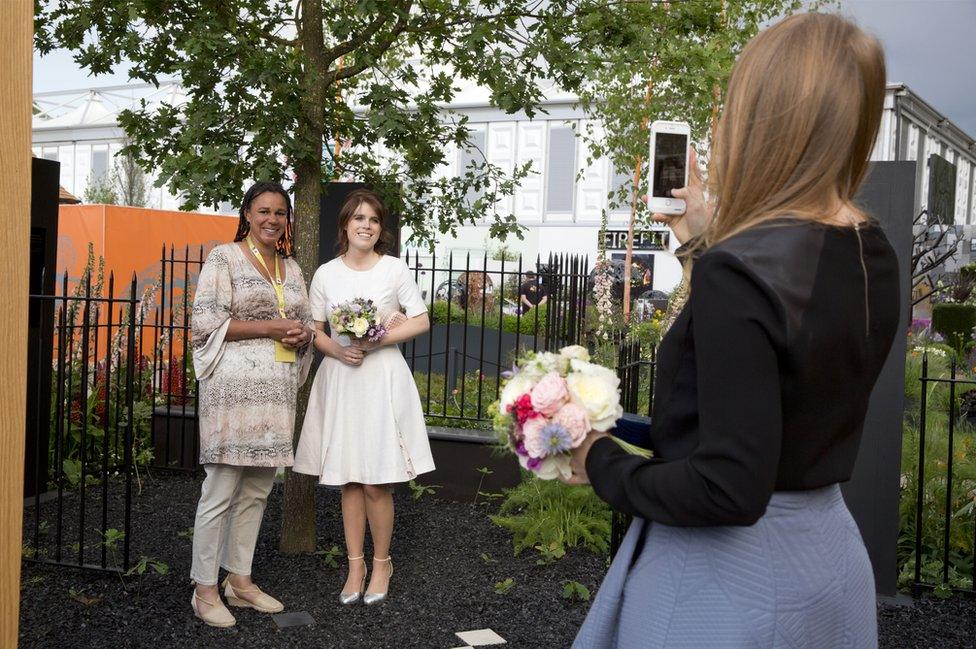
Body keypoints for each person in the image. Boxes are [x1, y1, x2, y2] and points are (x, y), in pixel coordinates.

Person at [566, 14, 896, 648]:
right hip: (828, 562)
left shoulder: (739, 270)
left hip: (729, 583)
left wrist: (598, 459)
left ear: (763, 120)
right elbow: (789, 353)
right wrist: (701, 241)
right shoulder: (868, 246)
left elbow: (727, 487)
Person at [293, 188, 435, 606]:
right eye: (358, 218)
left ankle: (381, 562)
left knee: (375, 480)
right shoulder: (325, 274)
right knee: (348, 479)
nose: (366, 226)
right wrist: (337, 349)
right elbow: (315, 331)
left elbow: (422, 320)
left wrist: (377, 339)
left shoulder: (393, 270)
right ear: (345, 226)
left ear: (380, 229)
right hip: (342, 378)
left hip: (380, 379)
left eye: (373, 220)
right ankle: (354, 565)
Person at [188, 181, 315, 628]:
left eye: (280, 212)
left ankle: (239, 582)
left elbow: (301, 324)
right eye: (263, 210)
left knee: (259, 490)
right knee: (220, 490)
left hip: (276, 394)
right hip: (232, 394)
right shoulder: (223, 258)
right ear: (247, 213)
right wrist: (271, 326)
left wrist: (303, 335)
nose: (272, 219)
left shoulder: (293, 268)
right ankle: (204, 588)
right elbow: (205, 323)